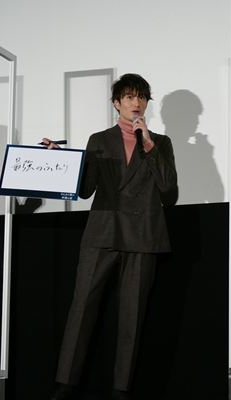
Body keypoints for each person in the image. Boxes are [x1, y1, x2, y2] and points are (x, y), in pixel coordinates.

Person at [45, 73, 178, 400]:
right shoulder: (99, 140)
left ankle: (121, 388)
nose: (136, 103)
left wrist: (149, 144)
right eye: (130, 97)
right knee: (82, 307)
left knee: (133, 315)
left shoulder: (160, 143)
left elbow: (168, 191)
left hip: (143, 235)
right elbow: (85, 188)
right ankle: (66, 383)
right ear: (116, 103)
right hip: (103, 232)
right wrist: (60, 161)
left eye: (142, 97)